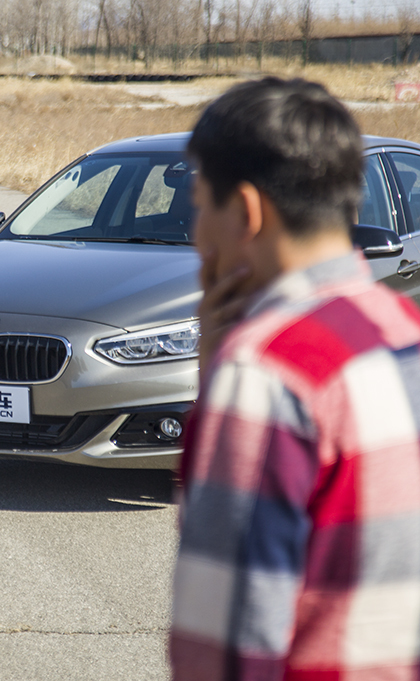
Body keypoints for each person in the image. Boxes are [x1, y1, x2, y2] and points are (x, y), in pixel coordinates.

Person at [171, 77, 420, 680]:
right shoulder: (402, 327)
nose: (195, 231)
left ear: (248, 212)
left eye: (201, 203)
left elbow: (229, 647)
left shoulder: (265, 372)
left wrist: (227, 371)